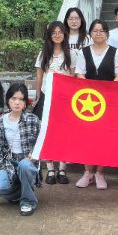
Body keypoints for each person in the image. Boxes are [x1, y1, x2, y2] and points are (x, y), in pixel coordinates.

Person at [75, 19, 118, 189]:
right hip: (88, 104)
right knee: (86, 138)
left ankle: (100, 173)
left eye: (102, 30)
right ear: (90, 33)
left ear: (107, 34)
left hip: (109, 103)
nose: (98, 33)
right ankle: (87, 172)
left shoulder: (115, 52)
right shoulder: (83, 53)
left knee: (105, 138)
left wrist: (106, 91)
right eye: (95, 31)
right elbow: (80, 75)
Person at [33, 21, 76, 184]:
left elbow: (73, 77)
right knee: (46, 131)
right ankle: (50, 168)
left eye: (60, 32)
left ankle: (62, 169)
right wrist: (38, 96)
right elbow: (39, 77)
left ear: (64, 34)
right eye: (54, 33)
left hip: (65, 99)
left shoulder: (71, 54)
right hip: (47, 97)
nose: (57, 35)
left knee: (64, 133)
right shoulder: (43, 53)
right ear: (49, 35)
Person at [0, 83, 41, 216]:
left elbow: (42, 142)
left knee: (24, 165)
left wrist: (35, 154)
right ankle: (22, 192)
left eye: (21, 99)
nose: (17, 102)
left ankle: (28, 201)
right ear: (8, 100)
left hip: (28, 161)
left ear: (25, 103)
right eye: (14, 98)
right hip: (9, 162)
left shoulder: (33, 120)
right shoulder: (0, 121)